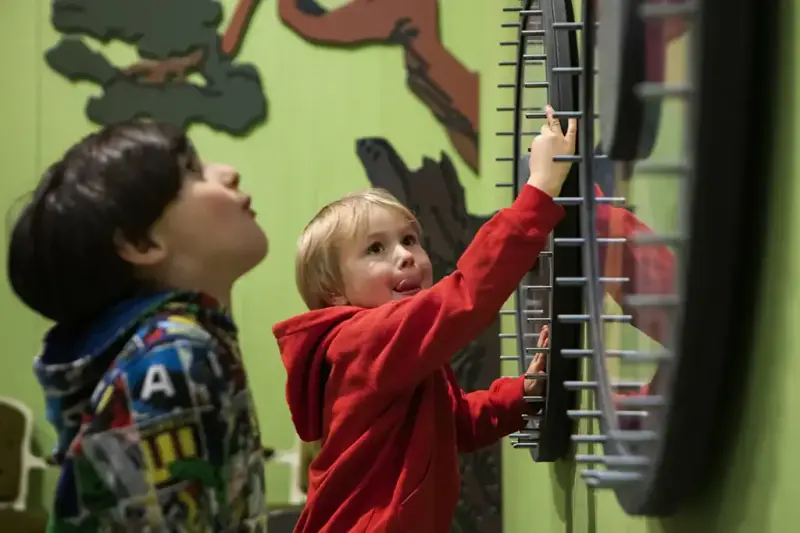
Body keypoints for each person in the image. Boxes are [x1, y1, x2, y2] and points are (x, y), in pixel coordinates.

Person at [272, 106, 577, 532]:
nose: (404, 256)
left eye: (409, 239)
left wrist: (519, 396)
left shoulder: (396, 356)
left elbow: (453, 426)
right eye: (375, 249)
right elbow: (466, 296)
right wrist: (539, 190)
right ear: (333, 294)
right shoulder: (362, 341)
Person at [7, 121, 269, 532]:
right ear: (142, 243)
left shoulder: (179, 346)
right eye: (192, 171)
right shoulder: (176, 357)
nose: (228, 172)